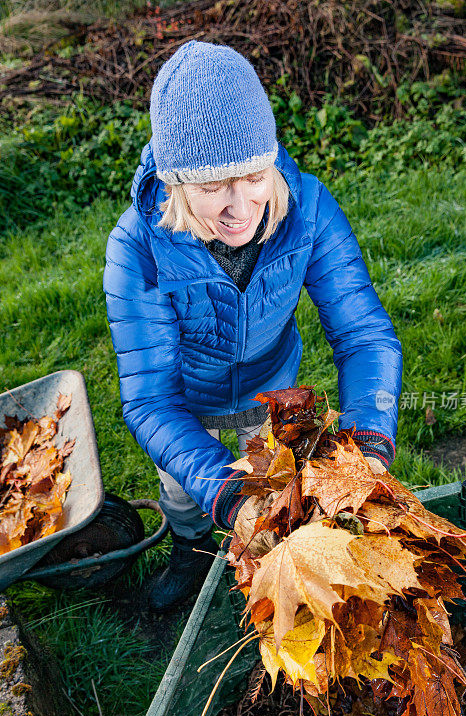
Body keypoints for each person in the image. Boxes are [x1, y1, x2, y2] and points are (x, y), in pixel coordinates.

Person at [104, 40, 403, 612]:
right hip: (185, 405)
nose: (240, 208)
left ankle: (270, 588)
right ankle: (190, 556)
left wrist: (366, 445)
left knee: (275, 484)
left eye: (252, 177)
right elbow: (150, 403)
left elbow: (364, 335)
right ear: (176, 184)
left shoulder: (309, 211)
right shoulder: (138, 248)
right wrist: (229, 496)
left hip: (269, 392)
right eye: (213, 187)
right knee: (183, 491)